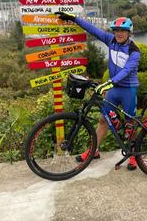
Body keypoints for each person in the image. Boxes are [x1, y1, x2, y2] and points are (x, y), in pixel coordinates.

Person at [55, 12, 141, 170]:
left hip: (128, 89)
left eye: (123, 31)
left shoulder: (134, 51)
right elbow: (92, 29)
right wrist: (73, 18)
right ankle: (94, 150)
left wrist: (110, 82)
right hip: (113, 89)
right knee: (103, 120)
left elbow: (127, 70)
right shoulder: (111, 40)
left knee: (131, 124)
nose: (119, 33)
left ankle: (134, 155)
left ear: (129, 33)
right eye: (116, 30)